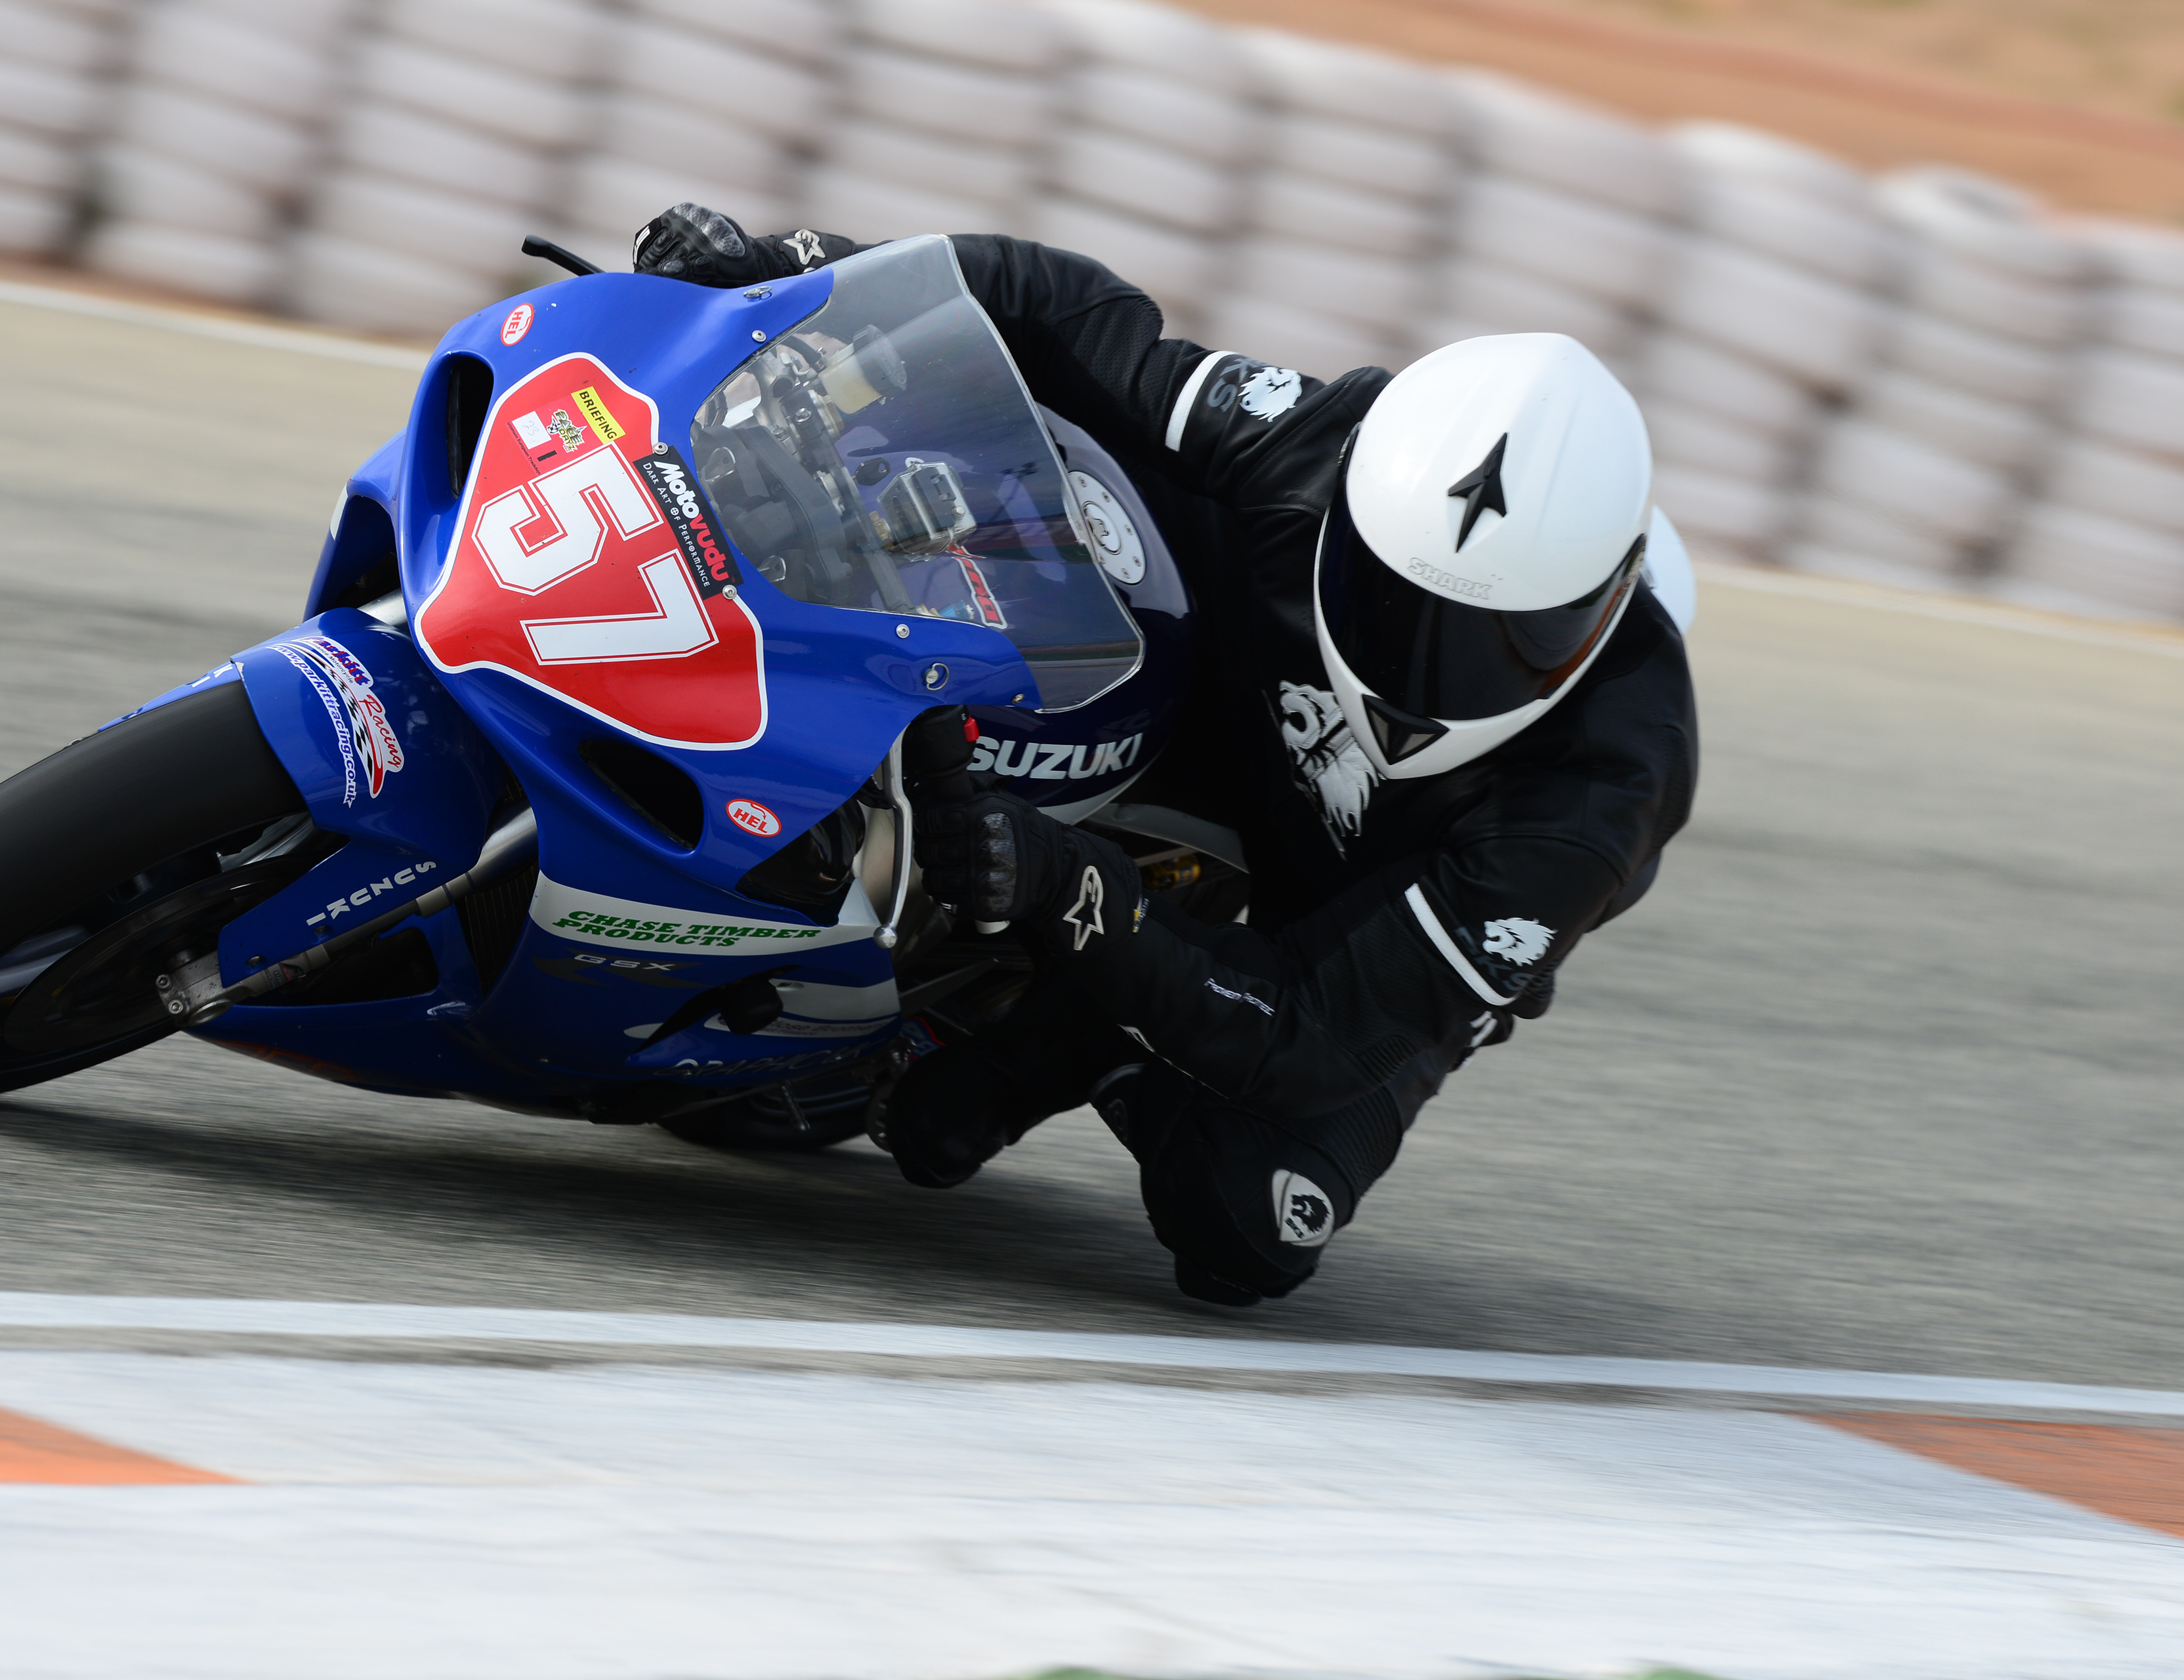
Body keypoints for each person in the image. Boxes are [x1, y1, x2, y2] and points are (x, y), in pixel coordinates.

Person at [631, 205, 1699, 1307]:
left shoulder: (1595, 804)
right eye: (1395, 598)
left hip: (1359, 912)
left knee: (1240, 1223)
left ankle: (1081, 1032)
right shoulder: (1320, 441)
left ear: (1611, 600)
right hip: (1220, 680)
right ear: (1359, 502)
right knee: (1017, 459)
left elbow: (1311, 1036)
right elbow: (1060, 313)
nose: (1429, 668)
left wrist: (1069, 887)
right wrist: (785, 272)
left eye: (1502, 640)